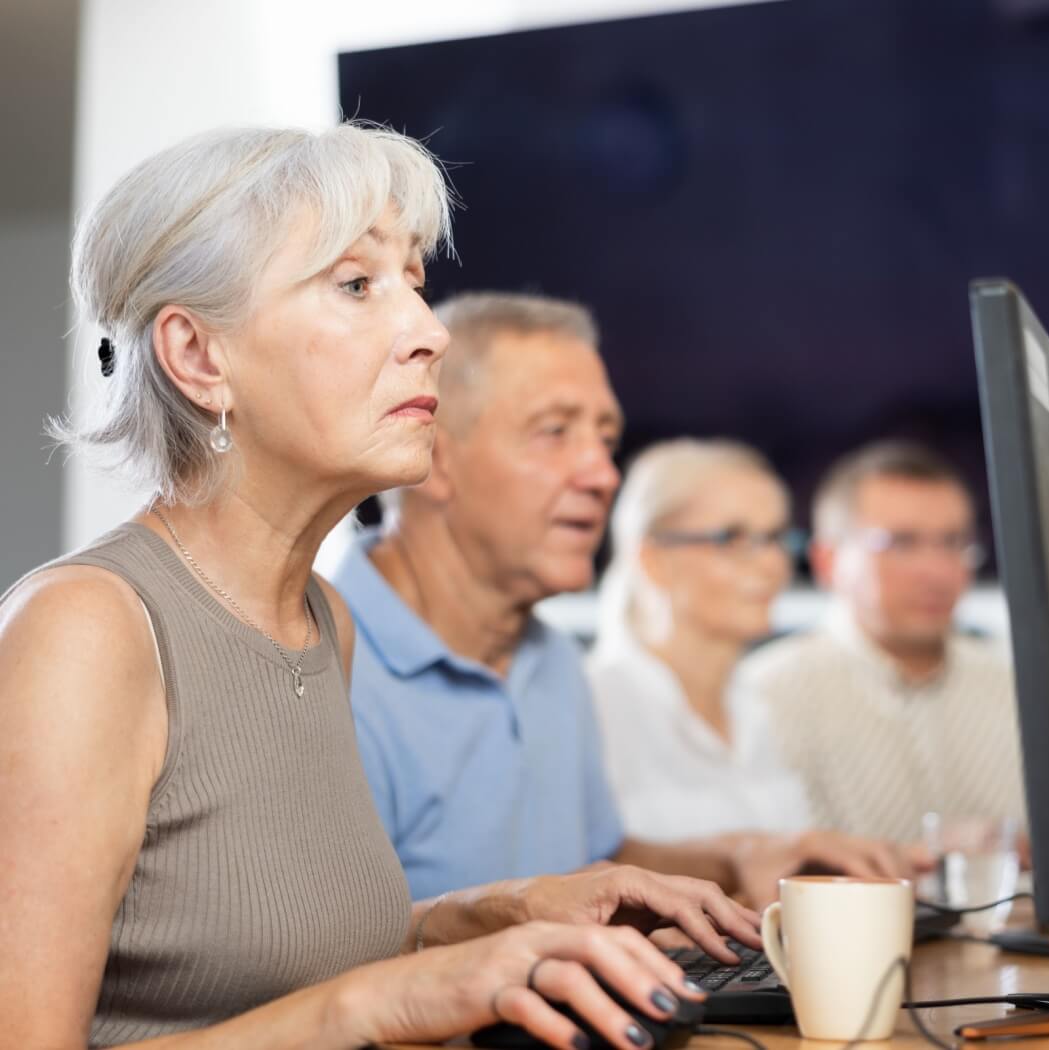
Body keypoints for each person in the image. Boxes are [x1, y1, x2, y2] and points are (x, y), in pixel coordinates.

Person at [0, 125, 761, 1050]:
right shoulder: (85, 631)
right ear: (200, 357)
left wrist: (505, 909)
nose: (430, 334)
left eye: (414, 283)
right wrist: (376, 1002)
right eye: (357, 286)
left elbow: (289, 957)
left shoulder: (323, 623)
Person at [337, 293, 911, 906]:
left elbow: (593, 866)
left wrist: (741, 856)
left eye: (605, 438)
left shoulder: (551, 660)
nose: (603, 473)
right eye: (554, 432)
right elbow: (320, 957)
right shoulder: (325, 667)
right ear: (435, 457)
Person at [590, 438, 913, 888]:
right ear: (652, 560)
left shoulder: (762, 702)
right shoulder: (591, 708)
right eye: (734, 538)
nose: (774, 564)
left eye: (776, 537)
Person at [742, 440, 1028, 843]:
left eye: (953, 543)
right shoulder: (765, 695)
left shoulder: (1016, 689)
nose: (936, 570)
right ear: (828, 561)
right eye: (901, 543)